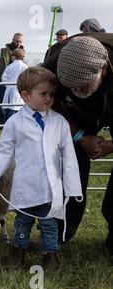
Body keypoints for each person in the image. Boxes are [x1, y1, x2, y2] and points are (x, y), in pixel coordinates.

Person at [0, 67, 82, 271]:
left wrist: (73, 188)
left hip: (49, 188)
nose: (49, 99)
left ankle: (51, 258)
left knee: (49, 224)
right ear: (26, 96)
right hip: (25, 186)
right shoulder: (15, 123)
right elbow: (3, 151)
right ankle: (17, 255)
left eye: (52, 95)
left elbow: (69, 157)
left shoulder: (59, 122)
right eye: (43, 94)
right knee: (23, 222)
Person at [43, 35, 113, 257]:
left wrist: (112, 144)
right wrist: (80, 136)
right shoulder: (52, 65)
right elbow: (50, 105)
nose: (75, 90)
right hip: (74, 115)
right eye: (69, 86)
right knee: (70, 167)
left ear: (102, 71)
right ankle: (60, 232)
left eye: (81, 86)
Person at [0, 33, 24, 124]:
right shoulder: (6, 51)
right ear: (13, 40)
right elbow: (3, 68)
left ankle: (12, 122)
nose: (18, 43)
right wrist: (6, 83)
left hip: (16, 84)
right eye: (17, 41)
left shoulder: (21, 50)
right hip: (7, 82)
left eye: (20, 41)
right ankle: (2, 122)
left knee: (15, 105)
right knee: (4, 103)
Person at [2, 49, 29, 121]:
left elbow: (4, 77)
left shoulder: (10, 66)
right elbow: (28, 78)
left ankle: (8, 123)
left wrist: (8, 86)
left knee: (11, 108)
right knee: (17, 107)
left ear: (13, 57)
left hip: (10, 89)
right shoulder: (25, 67)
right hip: (20, 89)